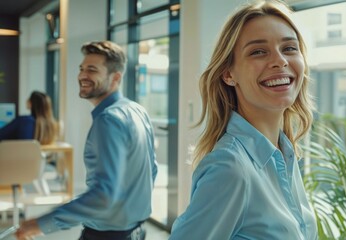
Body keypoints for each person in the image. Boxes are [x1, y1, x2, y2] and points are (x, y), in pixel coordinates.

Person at [169, 1, 317, 239]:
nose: (280, 61)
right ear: (228, 74)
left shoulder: (282, 153)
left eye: (289, 48)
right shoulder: (230, 167)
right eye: (258, 51)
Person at [15, 41, 158, 240]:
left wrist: (39, 224)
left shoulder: (108, 120)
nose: (82, 75)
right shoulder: (137, 110)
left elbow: (103, 197)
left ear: (115, 78)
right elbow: (152, 170)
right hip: (136, 231)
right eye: (82, 69)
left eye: (92, 70)